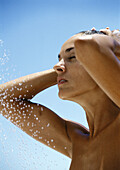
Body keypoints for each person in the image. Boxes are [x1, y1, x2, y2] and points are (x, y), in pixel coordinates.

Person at [0, 27, 120, 170]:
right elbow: (4, 99)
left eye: (73, 57)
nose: (57, 65)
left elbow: (87, 45)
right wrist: (60, 72)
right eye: (59, 59)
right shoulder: (77, 142)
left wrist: (115, 43)